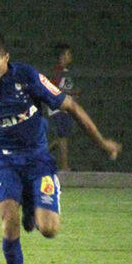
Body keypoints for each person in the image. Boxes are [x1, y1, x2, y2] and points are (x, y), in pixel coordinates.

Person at [0, 32, 121, 264]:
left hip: (38, 160)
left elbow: (70, 105)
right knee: (8, 223)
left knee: (48, 229)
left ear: (6, 58)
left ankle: (31, 204)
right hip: (3, 163)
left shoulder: (28, 77)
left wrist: (102, 142)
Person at [47, 43, 80, 171]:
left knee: (63, 137)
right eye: (67, 54)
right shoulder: (58, 71)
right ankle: (65, 166)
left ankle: (49, 149)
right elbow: (52, 88)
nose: (70, 56)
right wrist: (71, 93)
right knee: (63, 136)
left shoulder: (66, 72)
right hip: (58, 108)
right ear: (61, 56)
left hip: (66, 109)